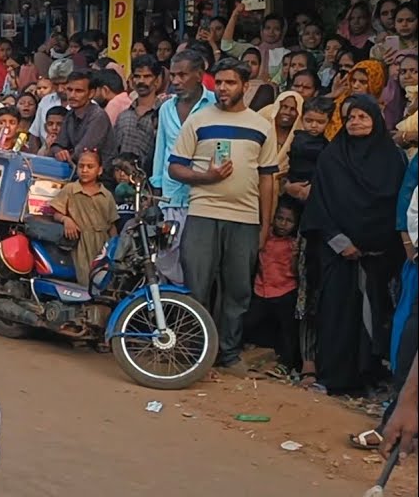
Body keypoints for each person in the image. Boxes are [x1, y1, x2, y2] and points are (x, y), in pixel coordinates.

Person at [169, 58, 279, 376]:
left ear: (246, 86)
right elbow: (174, 167)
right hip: (203, 212)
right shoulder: (198, 120)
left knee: (238, 290)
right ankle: (194, 351)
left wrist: (265, 225)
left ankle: (228, 354)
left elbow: (268, 178)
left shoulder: (261, 126)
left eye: (230, 83)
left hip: (245, 218)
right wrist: (207, 177)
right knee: (197, 285)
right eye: (219, 82)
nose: (223, 88)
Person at [301, 95, 406, 394]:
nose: (356, 122)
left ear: (376, 120)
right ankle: (337, 377)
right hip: (338, 252)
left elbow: (398, 204)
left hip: (380, 255)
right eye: (351, 118)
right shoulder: (333, 157)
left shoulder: (392, 157)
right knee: (338, 312)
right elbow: (320, 204)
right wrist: (342, 242)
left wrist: (378, 243)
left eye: (363, 117)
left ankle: (370, 375)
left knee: (377, 314)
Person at [151, 50, 216, 284]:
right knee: (165, 256)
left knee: (197, 259)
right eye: (173, 75)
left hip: (203, 196)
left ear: (199, 75)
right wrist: (156, 187)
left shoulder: (215, 105)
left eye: (182, 75)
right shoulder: (167, 108)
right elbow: (161, 149)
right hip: (171, 196)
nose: (176, 81)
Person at [243, 200, 303, 376]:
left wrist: (295, 256)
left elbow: (295, 271)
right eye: (279, 218)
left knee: (288, 331)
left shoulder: (294, 243)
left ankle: (286, 363)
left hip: (285, 290)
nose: (283, 224)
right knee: (247, 322)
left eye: (289, 221)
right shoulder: (265, 236)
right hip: (261, 289)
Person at [47, 149, 118, 287]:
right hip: (81, 243)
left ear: (100, 170)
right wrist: (66, 220)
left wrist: (114, 247)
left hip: (103, 244)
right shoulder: (70, 189)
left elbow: (112, 225)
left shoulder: (107, 195)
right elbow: (55, 212)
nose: (84, 170)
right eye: (81, 166)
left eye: (90, 167)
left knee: (105, 280)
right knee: (85, 279)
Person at [50, 70, 115, 166]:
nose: (72, 95)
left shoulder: (98, 116)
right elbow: (58, 144)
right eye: (69, 90)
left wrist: (64, 155)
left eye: (78, 91)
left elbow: (82, 152)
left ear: (91, 93)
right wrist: (58, 152)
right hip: (76, 171)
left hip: (100, 175)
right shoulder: (70, 114)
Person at [114, 55, 161, 175]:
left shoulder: (163, 114)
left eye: (147, 76)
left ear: (157, 80)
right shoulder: (123, 116)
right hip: (121, 181)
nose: (141, 81)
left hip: (150, 182)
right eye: (137, 76)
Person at [283, 97, 331, 203]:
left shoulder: (327, 144)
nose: (314, 126)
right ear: (301, 119)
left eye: (320, 122)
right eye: (309, 121)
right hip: (292, 188)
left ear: (329, 122)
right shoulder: (298, 140)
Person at [28, 58, 73, 140]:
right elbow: (35, 134)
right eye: (56, 84)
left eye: (64, 83)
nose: (60, 89)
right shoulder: (45, 101)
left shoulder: (87, 104)